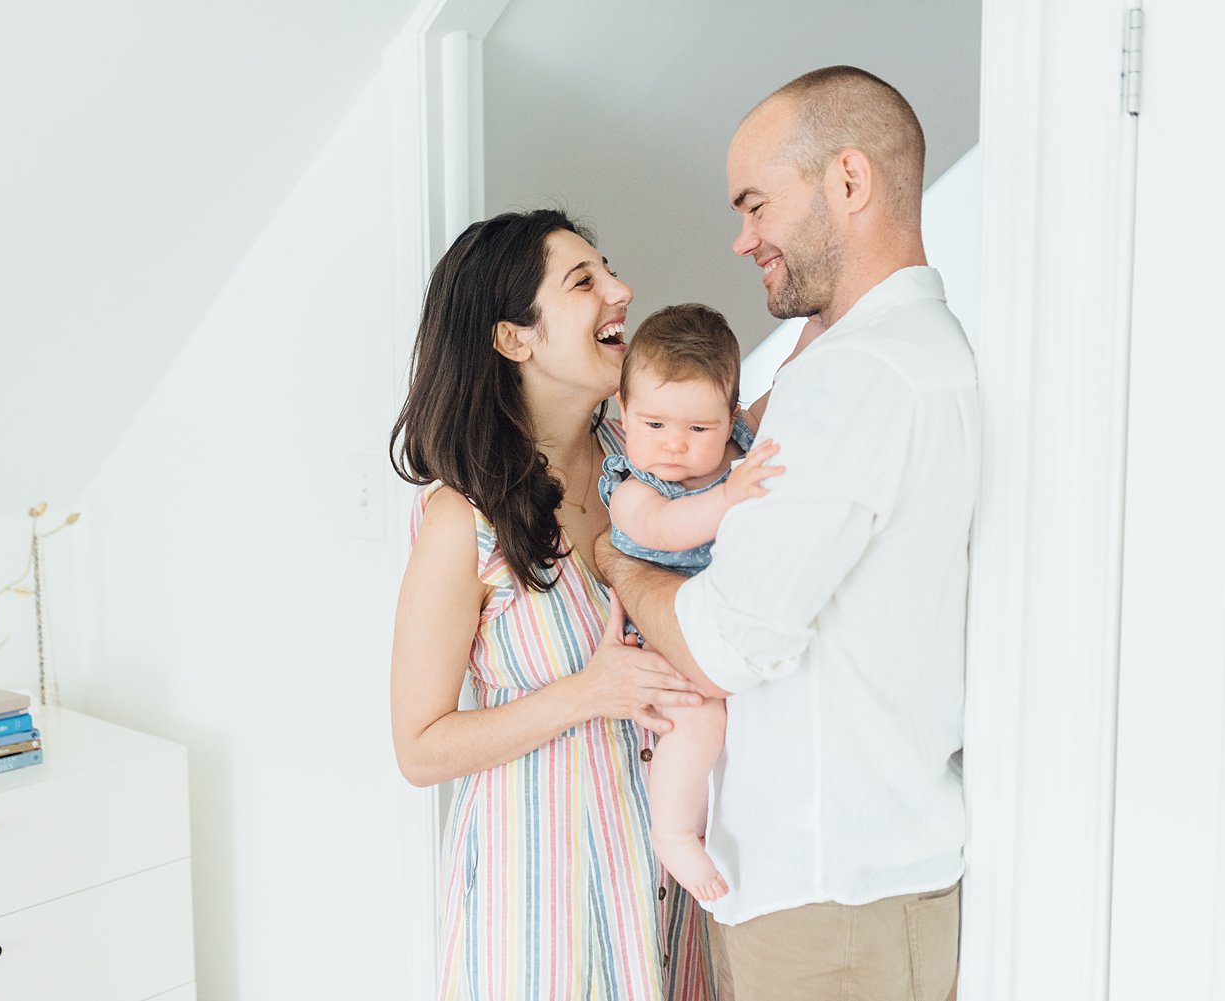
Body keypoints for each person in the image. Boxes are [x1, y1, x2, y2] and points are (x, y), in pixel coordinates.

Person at [596, 66, 979, 1001]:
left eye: (757, 205)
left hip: (832, 900)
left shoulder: (869, 378)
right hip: (804, 887)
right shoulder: (855, 363)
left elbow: (728, 642)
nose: (742, 238)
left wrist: (618, 560)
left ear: (848, 181)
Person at [389, 209, 716, 999]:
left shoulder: (651, 469)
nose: (621, 290)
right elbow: (420, 747)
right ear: (513, 338)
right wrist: (587, 693)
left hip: (668, 895)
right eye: (584, 281)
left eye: (608, 268)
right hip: (540, 907)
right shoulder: (458, 520)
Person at [597, 304, 782, 903]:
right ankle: (673, 832)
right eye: (653, 425)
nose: (674, 445)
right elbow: (668, 528)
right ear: (623, 416)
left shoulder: (738, 445)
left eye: (699, 430)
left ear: (730, 420)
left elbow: (788, 389)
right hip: (666, 638)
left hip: (727, 622)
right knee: (698, 716)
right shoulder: (633, 490)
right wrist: (729, 495)